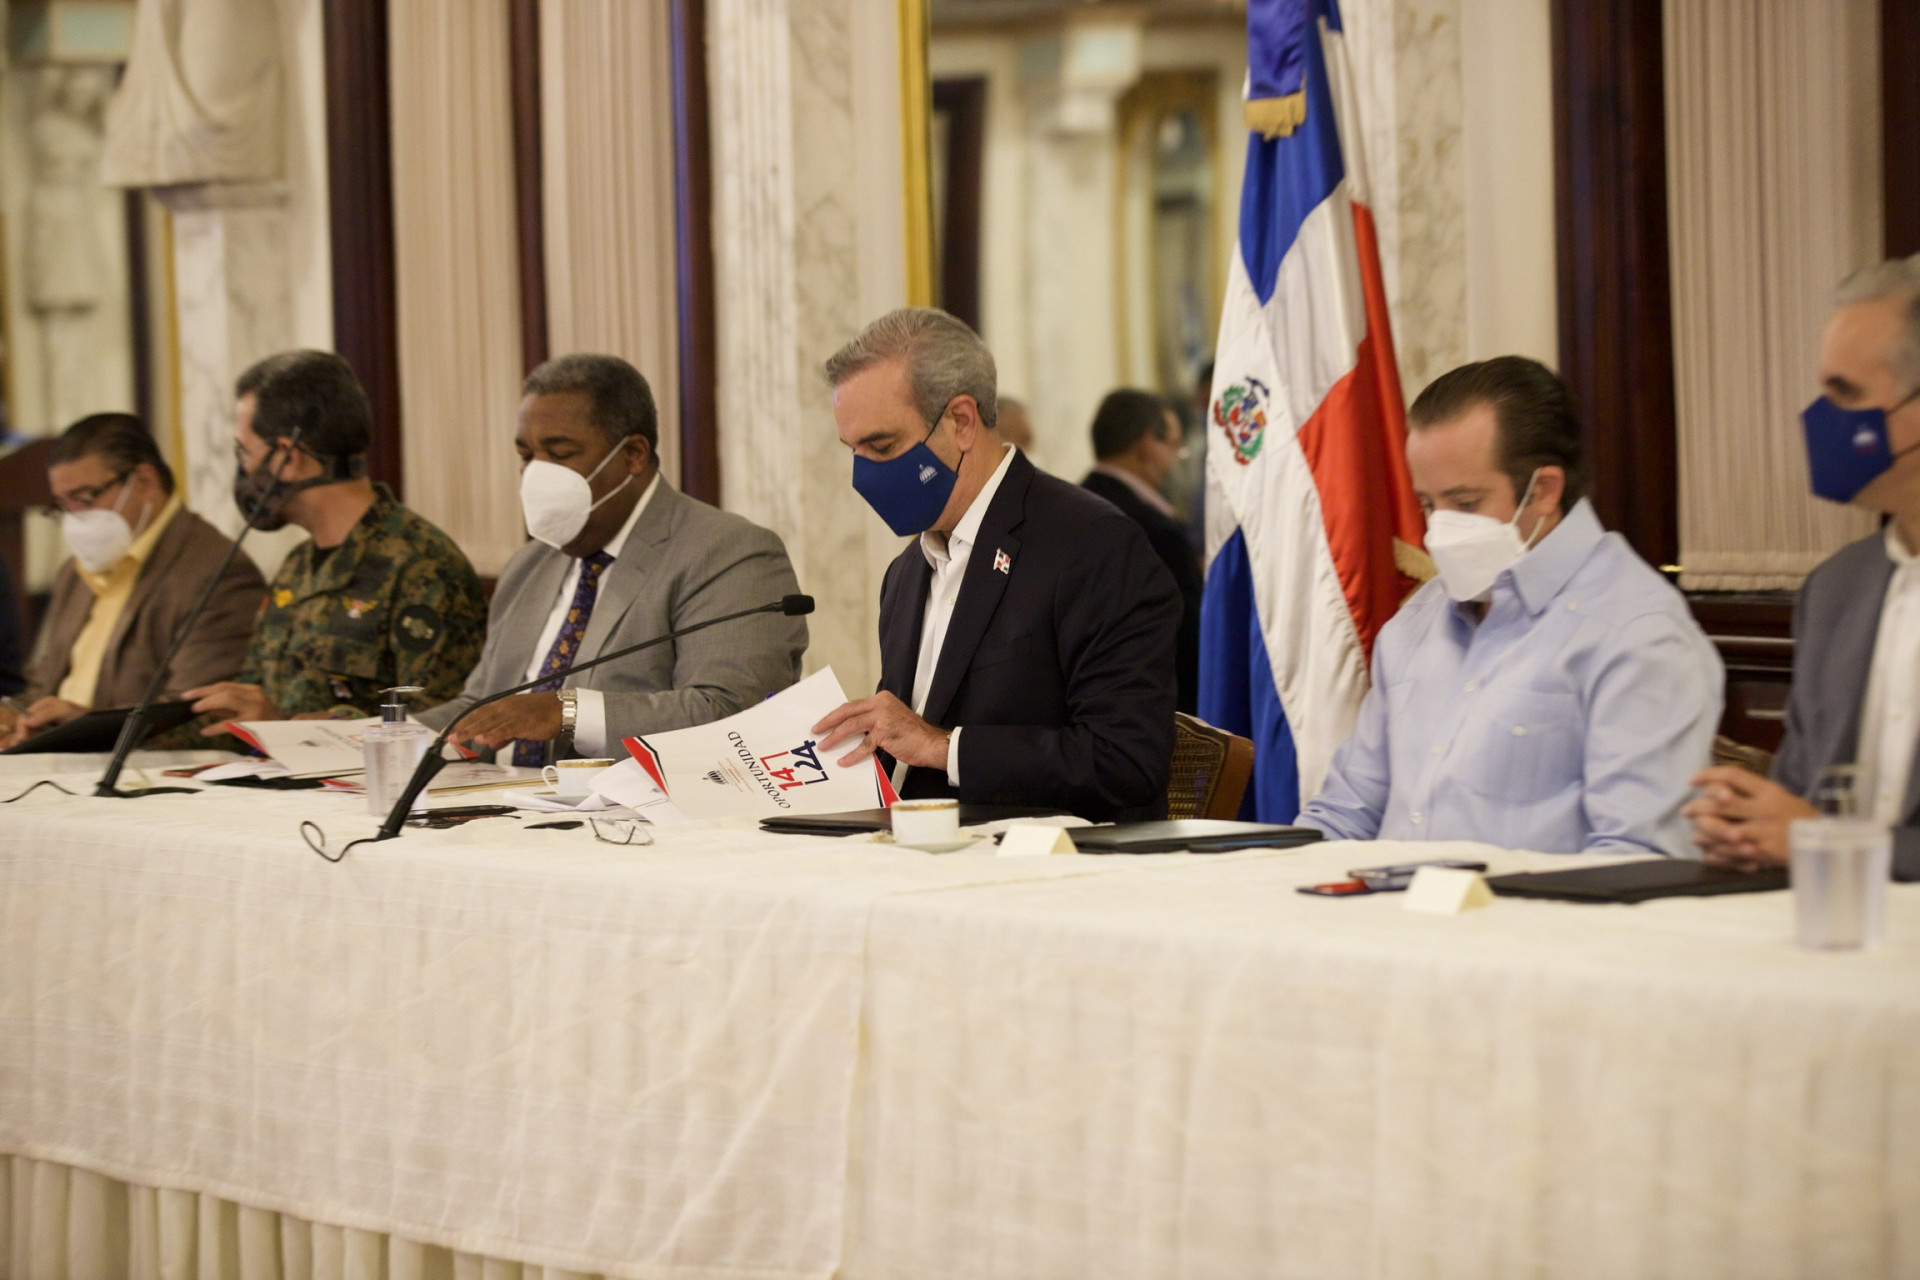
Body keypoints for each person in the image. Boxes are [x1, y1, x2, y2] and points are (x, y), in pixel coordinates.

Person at [1299, 356, 1723, 855]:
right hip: (1385, 901)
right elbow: (1345, 813)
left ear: (1543, 491)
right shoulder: (1418, 619)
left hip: (1525, 905)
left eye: (1466, 503)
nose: (1439, 530)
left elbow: (1639, 859)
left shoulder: (1637, 631)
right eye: (1428, 505)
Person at [811, 308, 1180, 821]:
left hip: (1050, 858)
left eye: (882, 446)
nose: (863, 475)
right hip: (913, 851)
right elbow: (904, 751)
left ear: (961, 422)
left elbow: (1126, 760)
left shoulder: (1094, 546)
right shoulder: (906, 574)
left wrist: (944, 747)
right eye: (854, 450)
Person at [419, 354, 807, 763]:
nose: (536, 474)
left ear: (633, 454)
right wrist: (387, 737)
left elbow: (731, 712)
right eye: (527, 456)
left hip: (618, 801)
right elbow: (480, 707)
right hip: (491, 795)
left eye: (560, 454)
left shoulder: (728, 551)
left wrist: (567, 711)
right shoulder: (529, 565)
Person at [1687, 255, 1920, 877]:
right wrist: (1748, 828)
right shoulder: (1836, 590)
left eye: (1846, 394)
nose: (1822, 420)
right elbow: (1798, 802)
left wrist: (1824, 841)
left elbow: (1812, 832)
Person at [183, 350, 486, 728]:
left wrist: (284, 730)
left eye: (245, 452)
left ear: (287, 458)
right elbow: (249, 702)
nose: (243, 469)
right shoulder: (296, 567)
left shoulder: (422, 566)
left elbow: (440, 724)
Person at [0, 413, 263, 748]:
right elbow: (43, 685)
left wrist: (80, 724)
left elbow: (196, 715)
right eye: (62, 506)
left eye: (84, 498)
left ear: (143, 481)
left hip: (136, 770)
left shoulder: (216, 571)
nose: (74, 519)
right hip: (54, 761)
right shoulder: (75, 571)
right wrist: (14, 716)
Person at [1081, 389, 1203, 712]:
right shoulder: (1155, 530)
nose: (1176, 459)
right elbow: (1190, 636)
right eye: (1174, 446)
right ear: (1148, 445)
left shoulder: (1070, 508)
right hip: (1160, 706)